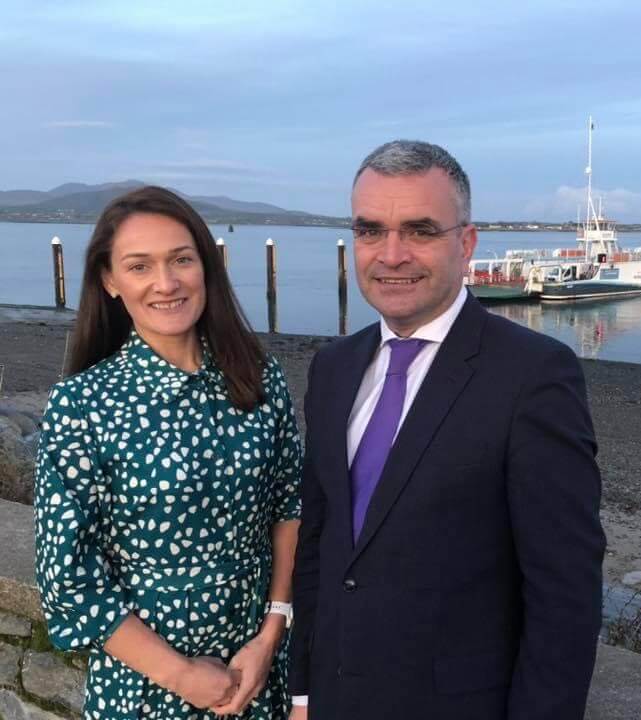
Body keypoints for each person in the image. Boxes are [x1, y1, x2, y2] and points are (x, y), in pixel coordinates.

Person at [290, 141, 605, 719]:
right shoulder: (333, 368)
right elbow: (321, 542)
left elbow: (565, 595)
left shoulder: (533, 376)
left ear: (466, 243)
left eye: (419, 230)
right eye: (370, 230)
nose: (391, 254)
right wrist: (304, 690)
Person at [34, 186, 302, 719]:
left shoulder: (259, 377)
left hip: (257, 676)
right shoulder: (84, 403)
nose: (166, 283)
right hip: (147, 691)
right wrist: (180, 675)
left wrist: (270, 636)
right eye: (139, 266)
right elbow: (66, 576)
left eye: (181, 259)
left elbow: (289, 509)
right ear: (109, 281)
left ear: (206, 264)